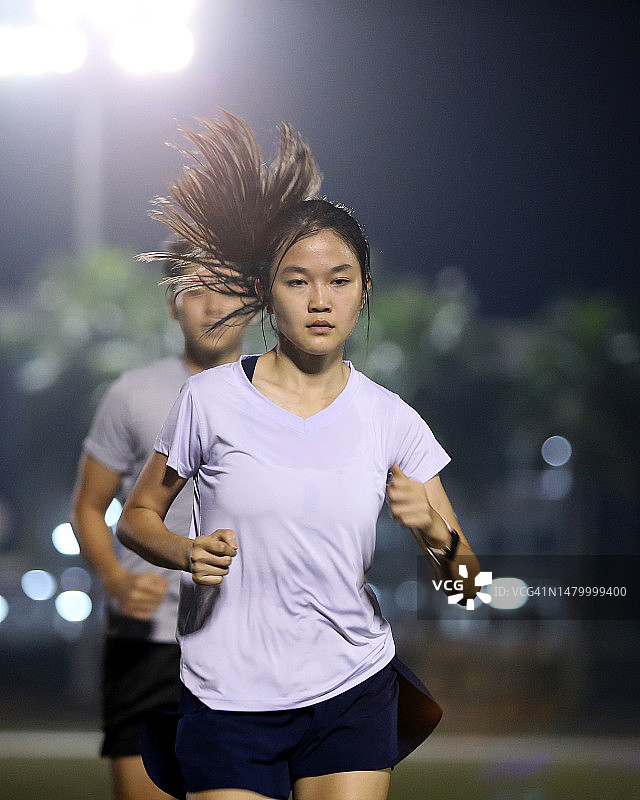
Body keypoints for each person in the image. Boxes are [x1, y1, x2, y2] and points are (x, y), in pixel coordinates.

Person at [117, 112, 480, 800]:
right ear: (265, 292)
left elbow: (467, 584)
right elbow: (135, 518)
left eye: (339, 281)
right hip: (226, 695)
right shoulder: (209, 401)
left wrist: (434, 531)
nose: (320, 301)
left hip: (351, 689)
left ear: (363, 291)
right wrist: (184, 552)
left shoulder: (392, 421)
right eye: (296, 281)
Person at [69, 240, 256, 800]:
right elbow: (88, 506)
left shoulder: (283, 397)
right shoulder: (131, 393)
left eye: (228, 288)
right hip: (148, 636)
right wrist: (115, 580)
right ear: (172, 304)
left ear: (255, 301)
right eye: (195, 290)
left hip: (247, 636)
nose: (212, 305)